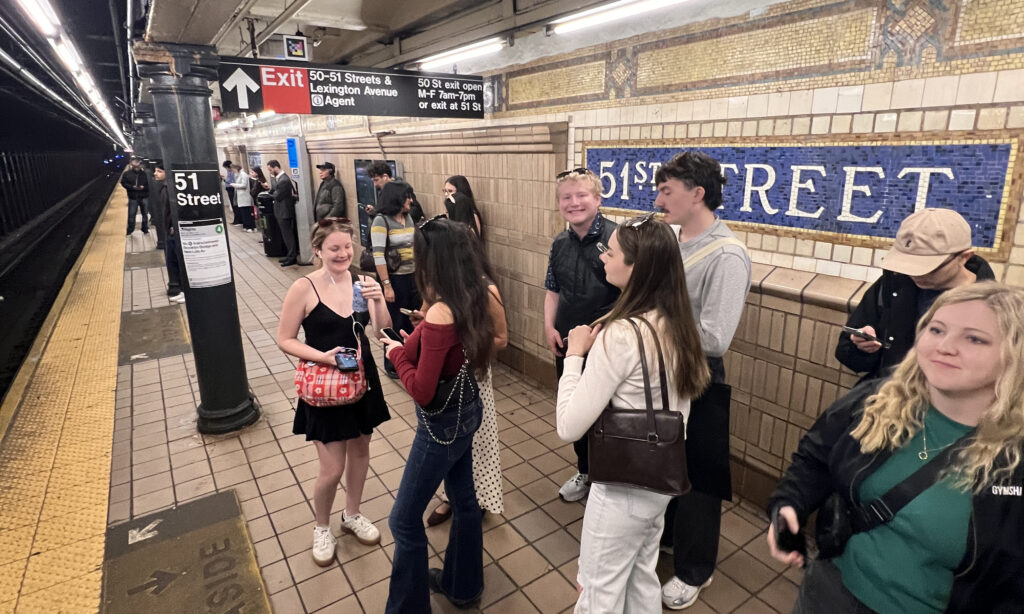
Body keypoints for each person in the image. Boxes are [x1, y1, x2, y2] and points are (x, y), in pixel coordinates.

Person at [767, 281, 1024, 614]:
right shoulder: (878, 399)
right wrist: (790, 503)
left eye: (974, 338)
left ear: (1013, 355)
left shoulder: (1014, 458)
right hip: (828, 591)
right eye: (937, 329)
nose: (945, 346)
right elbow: (815, 457)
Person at [557, 214, 709, 612]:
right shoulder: (677, 323)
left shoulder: (621, 334)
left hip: (622, 488)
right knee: (642, 577)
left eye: (612, 251)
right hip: (659, 479)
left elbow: (568, 425)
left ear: (637, 268)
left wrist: (574, 356)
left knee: (596, 593)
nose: (604, 256)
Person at [653, 151, 752, 609]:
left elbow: (715, 338)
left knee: (698, 478)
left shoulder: (728, 254)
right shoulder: (671, 238)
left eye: (667, 190)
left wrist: (654, 324)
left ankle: (696, 570)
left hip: (698, 377)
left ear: (697, 194)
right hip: (661, 370)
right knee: (666, 465)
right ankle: (671, 542)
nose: (658, 198)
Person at [381, 218, 495, 613]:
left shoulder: (441, 312)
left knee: (403, 521)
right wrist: (410, 341)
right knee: (464, 501)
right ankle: (463, 586)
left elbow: (423, 391)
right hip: (467, 410)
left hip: (441, 425)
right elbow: (420, 349)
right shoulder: (472, 292)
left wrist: (395, 353)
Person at [276, 218, 392, 565]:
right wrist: (322, 358)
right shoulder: (303, 288)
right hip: (325, 386)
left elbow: (381, 331)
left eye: (347, 247)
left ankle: (352, 513)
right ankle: (321, 527)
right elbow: (285, 338)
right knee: (330, 468)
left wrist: (378, 299)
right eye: (334, 248)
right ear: (318, 250)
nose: (343, 254)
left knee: (360, 450)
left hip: (361, 380)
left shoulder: (362, 283)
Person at [835, 207, 994, 383]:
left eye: (929, 267)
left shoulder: (992, 306)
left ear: (964, 257)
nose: (916, 275)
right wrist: (863, 348)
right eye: (909, 265)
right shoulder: (896, 281)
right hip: (886, 396)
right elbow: (847, 350)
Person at [544, 168, 620, 502]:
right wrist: (549, 326)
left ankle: (611, 477)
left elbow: (632, 296)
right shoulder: (559, 242)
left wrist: (603, 331)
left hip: (607, 345)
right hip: (568, 345)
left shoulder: (618, 239)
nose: (574, 203)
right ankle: (586, 471)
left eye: (581, 195)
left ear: (598, 199)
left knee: (609, 413)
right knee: (573, 407)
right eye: (566, 197)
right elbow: (552, 289)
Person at [425, 228, 507, 526]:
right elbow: (428, 316)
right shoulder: (437, 288)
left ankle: (479, 498)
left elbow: (501, 338)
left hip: (474, 376)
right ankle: (450, 496)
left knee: (478, 441)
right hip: (442, 378)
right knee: (446, 440)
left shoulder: (486, 291)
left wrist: (464, 346)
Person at [371, 180, 420, 378]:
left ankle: (410, 359)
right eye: (407, 196)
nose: (410, 200)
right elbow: (378, 255)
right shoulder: (381, 221)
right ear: (396, 198)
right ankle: (392, 363)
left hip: (414, 277)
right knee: (395, 322)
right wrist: (387, 286)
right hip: (395, 279)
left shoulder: (408, 218)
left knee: (412, 320)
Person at [152, 163, 184, 303]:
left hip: (174, 231)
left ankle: (185, 290)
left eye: (159, 171)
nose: (155, 173)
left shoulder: (172, 189)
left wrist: (173, 225)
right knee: (173, 261)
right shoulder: (164, 188)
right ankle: (182, 290)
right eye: (155, 171)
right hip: (170, 230)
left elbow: (175, 209)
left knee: (178, 261)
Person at [267, 160, 299, 266]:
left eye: (271, 170)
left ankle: (292, 257)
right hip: (281, 211)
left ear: (276, 167)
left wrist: (270, 194)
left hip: (284, 212)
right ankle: (289, 255)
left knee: (288, 235)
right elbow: (275, 191)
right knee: (285, 235)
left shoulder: (284, 180)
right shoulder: (279, 179)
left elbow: (277, 195)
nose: (270, 172)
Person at [121, 156, 150, 235]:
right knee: (131, 215)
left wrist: (144, 187)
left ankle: (145, 228)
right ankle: (130, 229)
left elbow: (150, 184)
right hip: (133, 197)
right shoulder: (127, 174)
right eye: (135, 166)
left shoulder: (145, 173)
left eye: (138, 165)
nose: (137, 167)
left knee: (145, 214)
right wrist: (131, 187)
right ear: (132, 165)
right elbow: (123, 183)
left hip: (144, 196)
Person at [229, 164, 256, 232]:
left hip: (245, 196)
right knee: (244, 213)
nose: (233, 171)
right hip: (242, 197)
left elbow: (244, 185)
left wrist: (234, 185)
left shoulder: (243, 174)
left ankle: (250, 227)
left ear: (236, 168)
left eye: (233, 170)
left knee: (247, 213)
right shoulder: (239, 174)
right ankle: (247, 226)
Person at [223, 160, 241, 225]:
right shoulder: (229, 172)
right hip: (229, 189)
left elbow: (232, 181)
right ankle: (236, 219)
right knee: (233, 205)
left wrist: (225, 179)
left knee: (235, 205)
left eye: (226, 168)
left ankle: (238, 220)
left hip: (232, 189)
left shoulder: (232, 173)